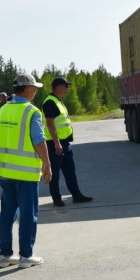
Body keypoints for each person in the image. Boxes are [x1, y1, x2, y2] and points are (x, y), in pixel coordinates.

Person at [0, 73, 52, 269]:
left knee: (7, 214)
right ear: (27, 88)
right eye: (34, 87)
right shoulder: (31, 112)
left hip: (5, 171)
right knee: (28, 215)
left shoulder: (1, 111)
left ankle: (4, 256)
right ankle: (26, 255)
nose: (35, 90)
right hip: (25, 173)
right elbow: (38, 141)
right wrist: (47, 164)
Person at [43, 77, 93, 207]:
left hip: (65, 143)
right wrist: (57, 143)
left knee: (70, 171)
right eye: (65, 85)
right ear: (57, 87)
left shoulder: (59, 101)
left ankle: (76, 195)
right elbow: (50, 124)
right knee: (55, 172)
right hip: (55, 144)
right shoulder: (50, 102)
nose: (67, 88)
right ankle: (56, 198)